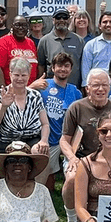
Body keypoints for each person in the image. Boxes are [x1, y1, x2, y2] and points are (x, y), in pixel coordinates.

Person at [57, 70, 111, 222]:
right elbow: (64, 140)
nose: (100, 89)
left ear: (110, 87)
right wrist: (72, 158)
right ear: (87, 88)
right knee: (72, 179)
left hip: (109, 159)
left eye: (104, 85)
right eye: (96, 85)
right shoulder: (76, 108)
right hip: (80, 157)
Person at [29, 52, 82, 191]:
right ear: (52, 68)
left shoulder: (75, 92)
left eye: (66, 66)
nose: (62, 69)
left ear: (71, 69)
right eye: (59, 65)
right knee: (48, 183)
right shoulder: (43, 86)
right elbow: (22, 97)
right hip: (47, 139)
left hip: (67, 139)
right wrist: (31, 86)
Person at [0, 57, 49, 154]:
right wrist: (3, 107)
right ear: (10, 74)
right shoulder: (1, 94)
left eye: (23, 75)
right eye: (16, 75)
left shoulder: (35, 96)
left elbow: (45, 124)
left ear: (29, 76)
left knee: (40, 150)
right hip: (4, 141)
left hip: (30, 139)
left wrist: (44, 141)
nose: (20, 79)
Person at [35, 8, 85, 87]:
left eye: (64, 17)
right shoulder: (44, 40)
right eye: (58, 17)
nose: (61, 20)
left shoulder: (79, 40)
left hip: (74, 87)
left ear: (69, 20)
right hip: (50, 88)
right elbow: (41, 65)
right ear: (53, 20)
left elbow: (83, 66)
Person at [0, 15, 39, 87]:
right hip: (11, 91)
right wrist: (4, 90)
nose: (21, 28)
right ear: (12, 26)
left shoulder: (31, 43)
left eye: (24, 25)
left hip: (30, 90)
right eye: (17, 25)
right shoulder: (2, 43)